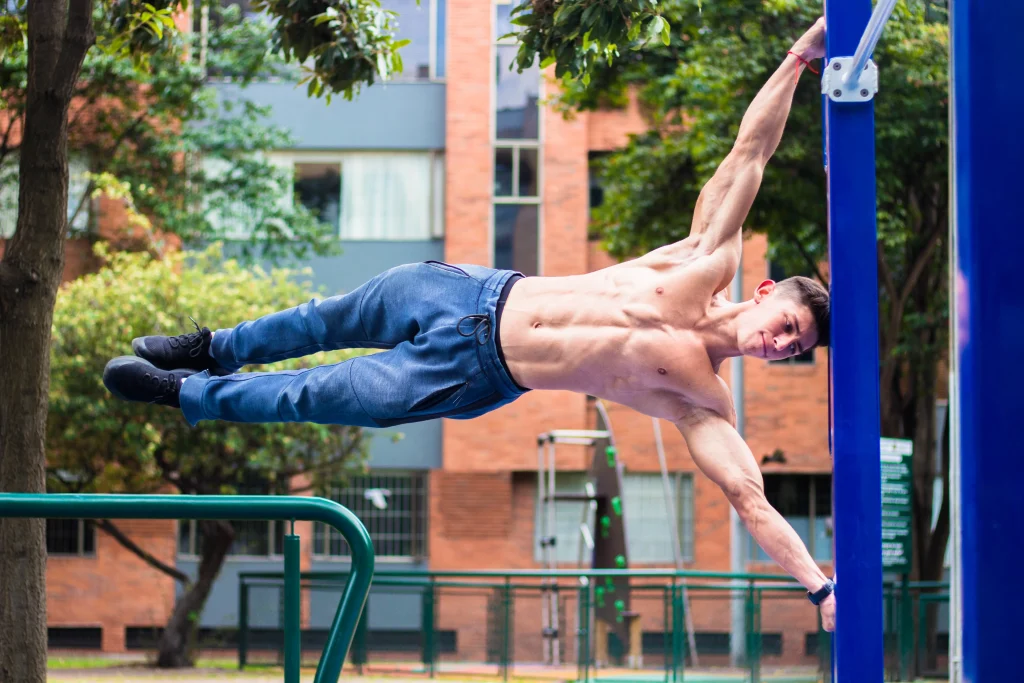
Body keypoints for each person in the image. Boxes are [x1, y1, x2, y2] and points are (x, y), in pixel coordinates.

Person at [104, 20, 836, 627]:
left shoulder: (702, 401)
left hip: (472, 372)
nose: (777, 342)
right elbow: (752, 150)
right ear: (766, 290)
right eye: (786, 324)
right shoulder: (705, 258)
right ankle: (210, 348)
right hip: (468, 293)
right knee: (319, 319)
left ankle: (180, 393)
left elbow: (749, 498)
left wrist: (819, 587)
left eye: (793, 347)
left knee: (317, 394)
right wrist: (800, 55)